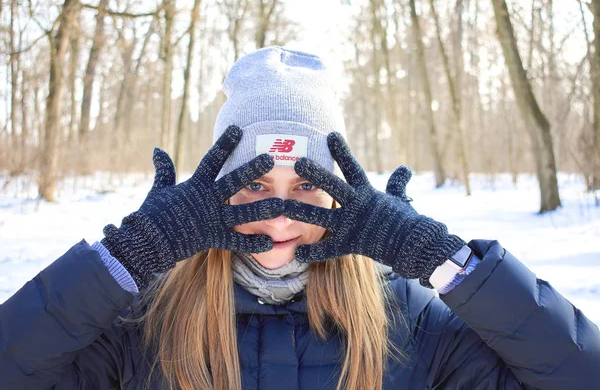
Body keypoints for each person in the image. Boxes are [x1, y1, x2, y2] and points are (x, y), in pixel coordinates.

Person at [1, 47, 598, 390]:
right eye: (255, 184)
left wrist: (448, 264)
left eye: (307, 187)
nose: (280, 221)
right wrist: (125, 259)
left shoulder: (410, 326)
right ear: (214, 187)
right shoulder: (144, 323)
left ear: (342, 193)